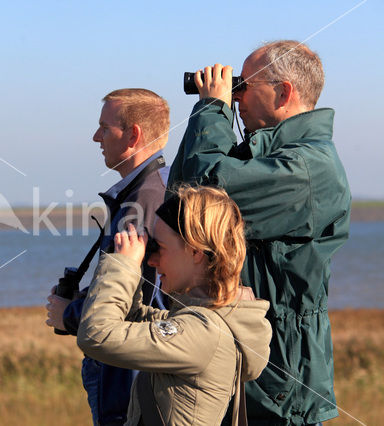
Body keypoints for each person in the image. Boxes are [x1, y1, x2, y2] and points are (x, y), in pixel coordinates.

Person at [168, 40, 351, 424]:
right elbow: (181, 201)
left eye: (245, 86)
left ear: (284, 92)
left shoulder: (306, 170)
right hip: (249, 366)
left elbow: (208, 193)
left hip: (279, 381)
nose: (236, 98)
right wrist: (206, 110)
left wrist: (212, 109)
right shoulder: (264, 158)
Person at [77, 185, 272, 426]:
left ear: (195, 252)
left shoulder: (205, 334)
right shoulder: (201, 323)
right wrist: (131, 269)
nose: (152, 259)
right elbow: (134, 319)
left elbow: (97, 335)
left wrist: (123, 265)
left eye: (160, 248)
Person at [45, 88, 170, 425]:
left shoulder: (143, 199)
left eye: (105, 127)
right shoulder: (154, 189)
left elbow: (134, 297)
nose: (96, 137)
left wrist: (68, 314)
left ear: (133, 134)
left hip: (126, 377)